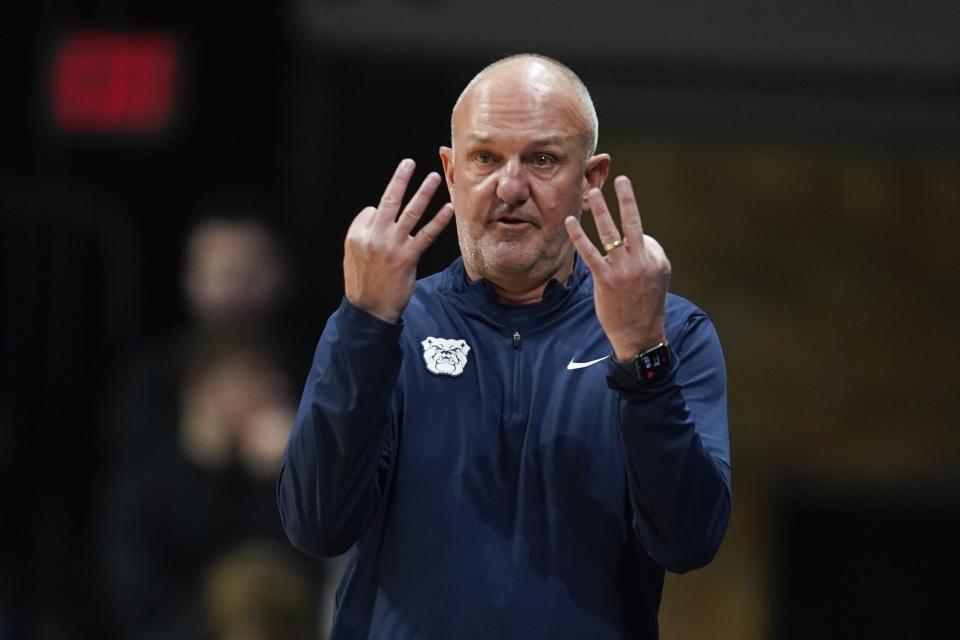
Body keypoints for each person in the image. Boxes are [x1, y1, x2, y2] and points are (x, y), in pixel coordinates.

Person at [278, 53, 731, 639]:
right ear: (452, 167)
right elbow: (316, 526)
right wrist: (365, 325)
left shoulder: (668, 331)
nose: (510, 187)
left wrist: (642, 353)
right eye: (485, 157)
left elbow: (689, 540)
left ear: (590, 178)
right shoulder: (388, 322)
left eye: (541, 160)